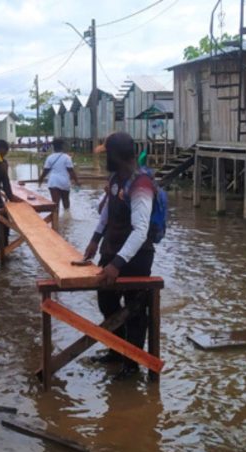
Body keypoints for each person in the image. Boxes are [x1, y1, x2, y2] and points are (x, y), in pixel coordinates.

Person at [83, 132, 157, 380]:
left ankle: (132, 365)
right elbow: (106, 214)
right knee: (106, 301)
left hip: (136, 257)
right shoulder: (116, 178)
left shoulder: (141, 185)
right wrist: (94, 240)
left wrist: (117, 264)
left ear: (115, 155)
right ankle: (117, 351)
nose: (104, 158)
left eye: (106, 154)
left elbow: (140, 230)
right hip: (111, 250)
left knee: (135, 310)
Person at [38, 138, 80, 211]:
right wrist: (76, 182)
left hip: (53, 182)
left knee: (55, 203)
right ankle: (67, 219)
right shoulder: (67, 157)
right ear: (62, 146)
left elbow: (45, 171)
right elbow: (71, 171)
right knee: (66, 201)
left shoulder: (49, 158)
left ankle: (56, 220)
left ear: (53, 147)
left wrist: (40, 180)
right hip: (64, 182)